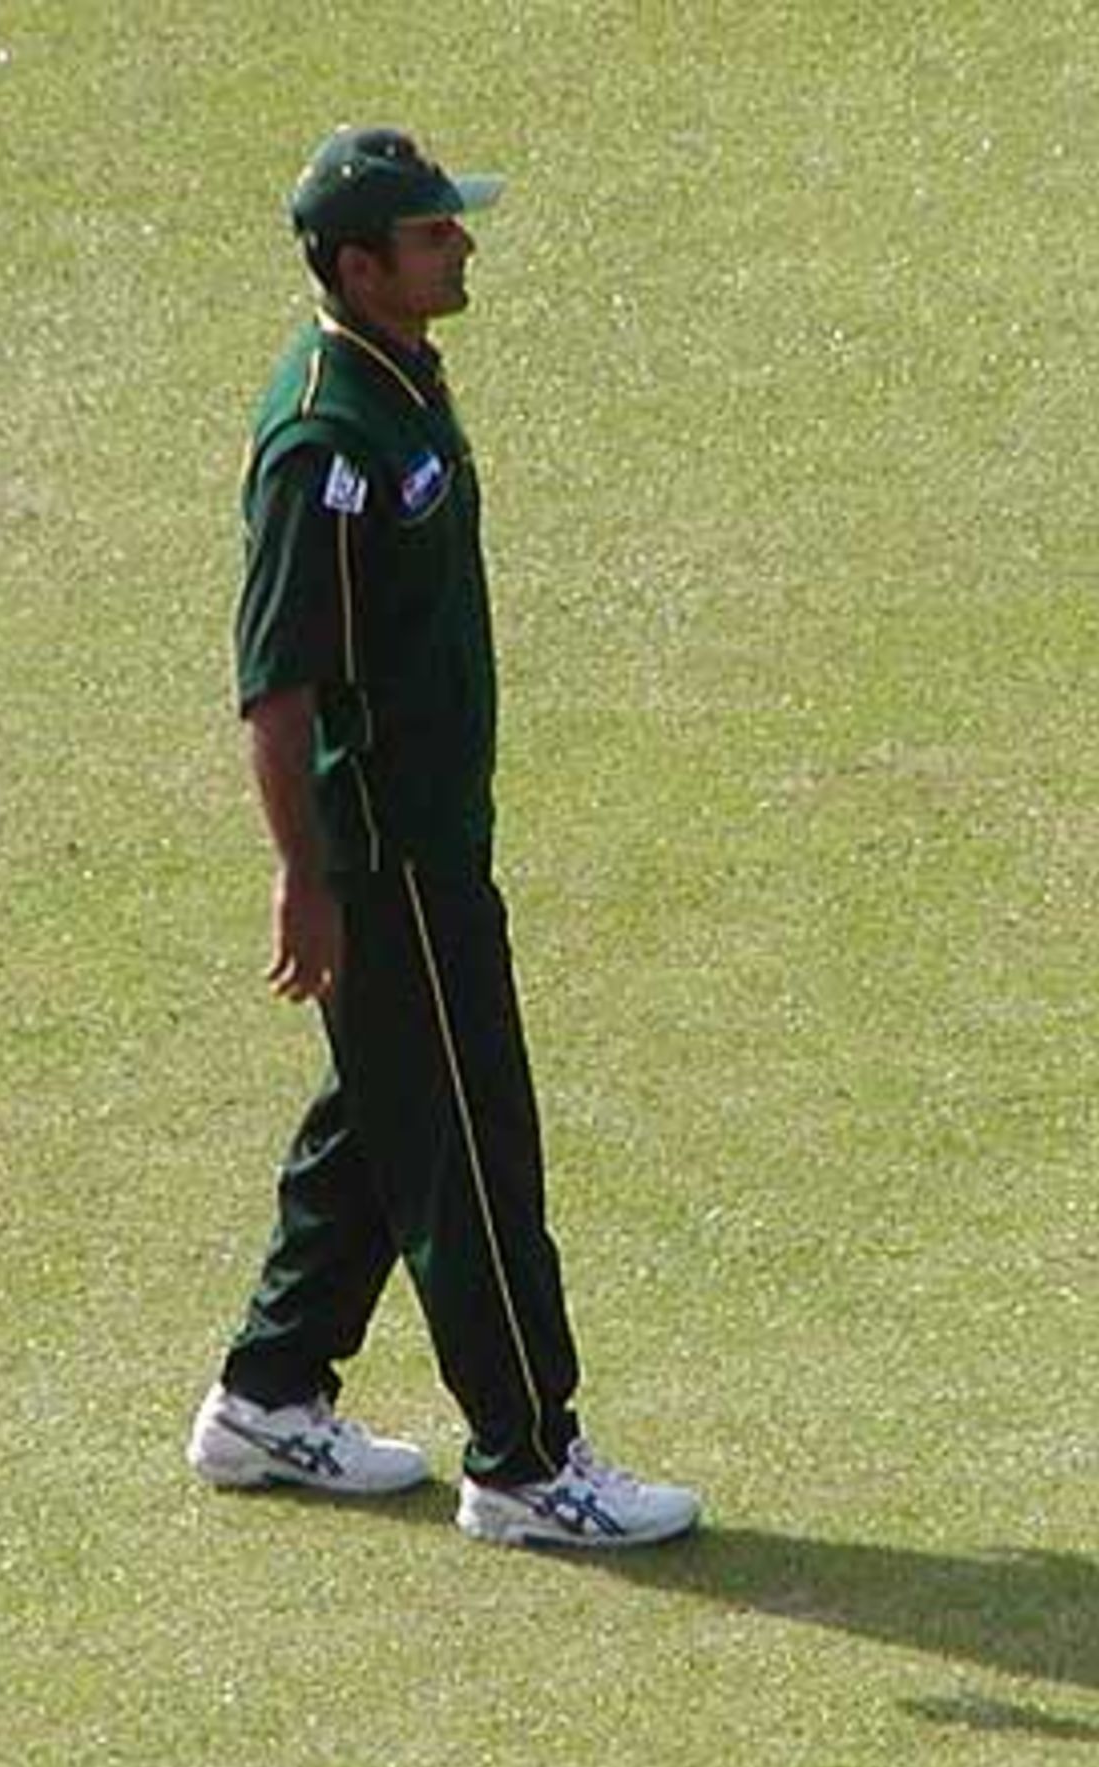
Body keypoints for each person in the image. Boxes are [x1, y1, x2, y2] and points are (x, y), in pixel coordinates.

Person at [187, 125, 702, 1549]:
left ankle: (268, 1395)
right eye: (431, 235)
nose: (461, 244)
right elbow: (277, 690)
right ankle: (529, 1463)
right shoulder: (323, 439)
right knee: (473, 1144)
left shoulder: (395, 374)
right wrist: (306, 881)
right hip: (387, 859)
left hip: (426, 841)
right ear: (359, 269)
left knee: (385, 1117)